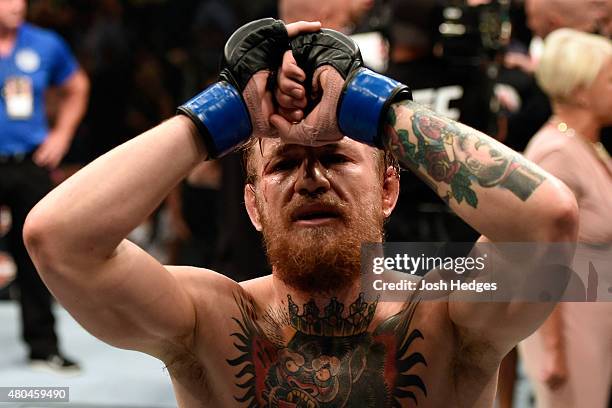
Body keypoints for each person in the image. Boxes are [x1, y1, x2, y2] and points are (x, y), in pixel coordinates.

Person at [23, 20, 578, 406]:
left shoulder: (444, 308)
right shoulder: (210, 317)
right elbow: (58, 238)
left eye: (336, 156)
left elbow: (547, 222)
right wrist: (220, 113)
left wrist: (375, 106)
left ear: (389, 189)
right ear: (252, 204)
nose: (311, 179)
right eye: (284, 163)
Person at [518, 28, 612, 408]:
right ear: (580, 89)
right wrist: (553, 348)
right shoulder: (555, 152)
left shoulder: (586, 144)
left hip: (593, 320)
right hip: (568, 329)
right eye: (610, 78)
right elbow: (539, 257)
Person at [0, 0, 88, 372]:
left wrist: (62, 136)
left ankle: (43, 346)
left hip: (28, 163)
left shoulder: (44, 43)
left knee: (35, 253)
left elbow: (77, 85)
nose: (17, 5)